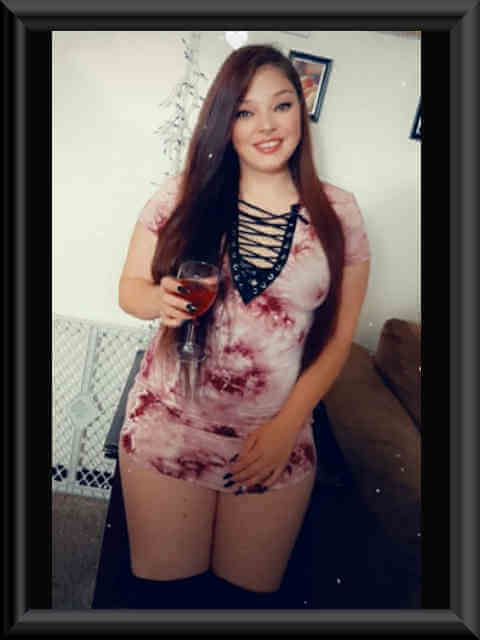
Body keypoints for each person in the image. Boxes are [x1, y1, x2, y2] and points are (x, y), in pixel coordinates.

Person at [117, 43, 370, 609]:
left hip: (273, 440)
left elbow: (338, 339)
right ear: (224, 122)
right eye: (245, 111)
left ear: (300, 111)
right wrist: (157, 298)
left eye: (281, 105)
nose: (266, 126)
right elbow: (129, 290)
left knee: (244, 605)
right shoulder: (183, 194)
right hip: (170, 428)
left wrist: (287, 427)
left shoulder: (340, 214)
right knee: (168, 603)